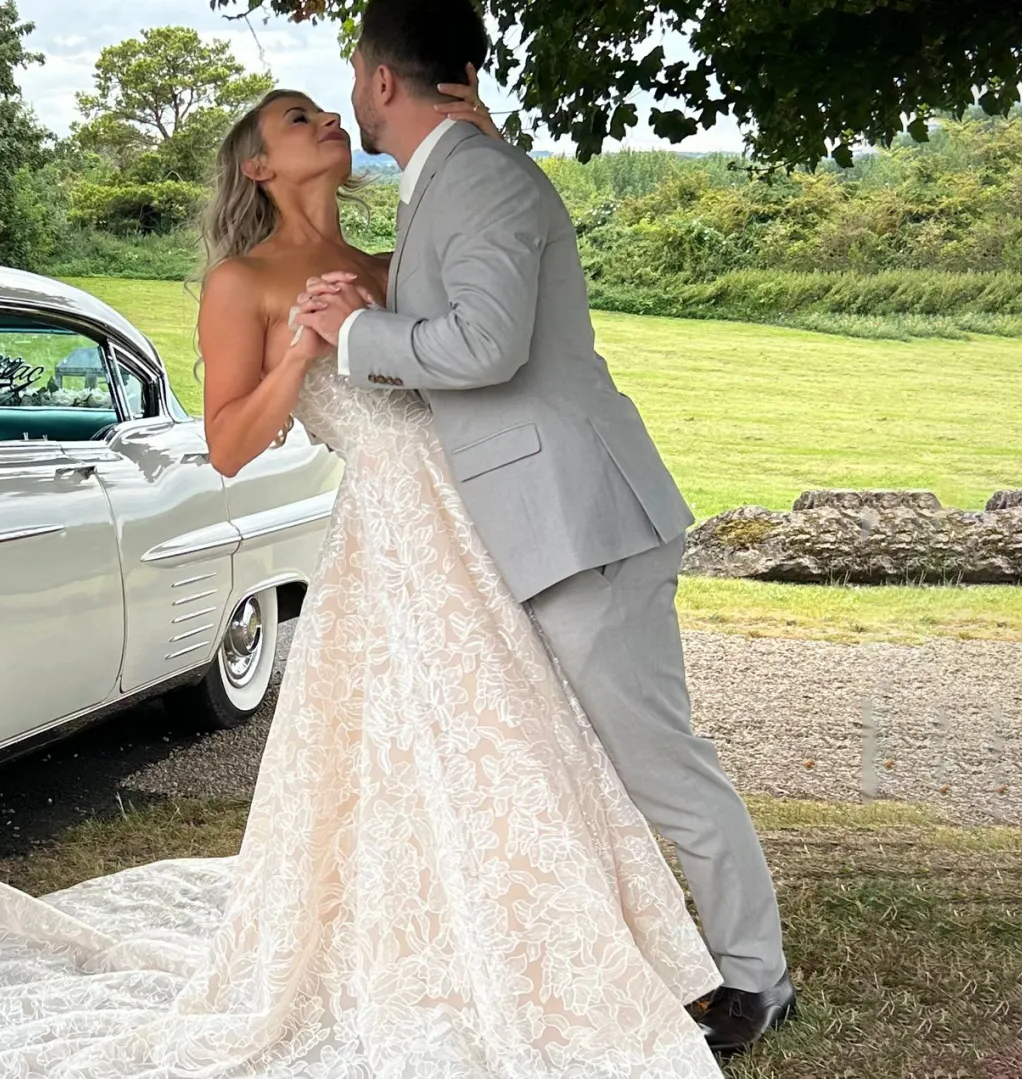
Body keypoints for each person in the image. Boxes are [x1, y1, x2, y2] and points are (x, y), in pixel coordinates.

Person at [0, 6, 751, 1076]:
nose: (325, 114)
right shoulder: (244, 283)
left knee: (516, 748)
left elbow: (475, 321)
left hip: (484, 529)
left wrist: (470, 145)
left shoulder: (388, 256)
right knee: (416, 749)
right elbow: (228, 441)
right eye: (295, 116)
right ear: (260, 167)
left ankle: (541, 942)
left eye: (329, 101)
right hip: (391, 543)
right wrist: (303, 349)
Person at [293, 0, 794, 1059]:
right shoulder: (458, 175)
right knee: (573, 766)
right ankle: (636, 955)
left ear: (381, 79)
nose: (349, 93)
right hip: (538, 528)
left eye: (352, 73)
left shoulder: (476, 177)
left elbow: (484, 345)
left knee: (657, 763)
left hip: (583, 525)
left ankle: (757, 976)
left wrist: (355, 333)